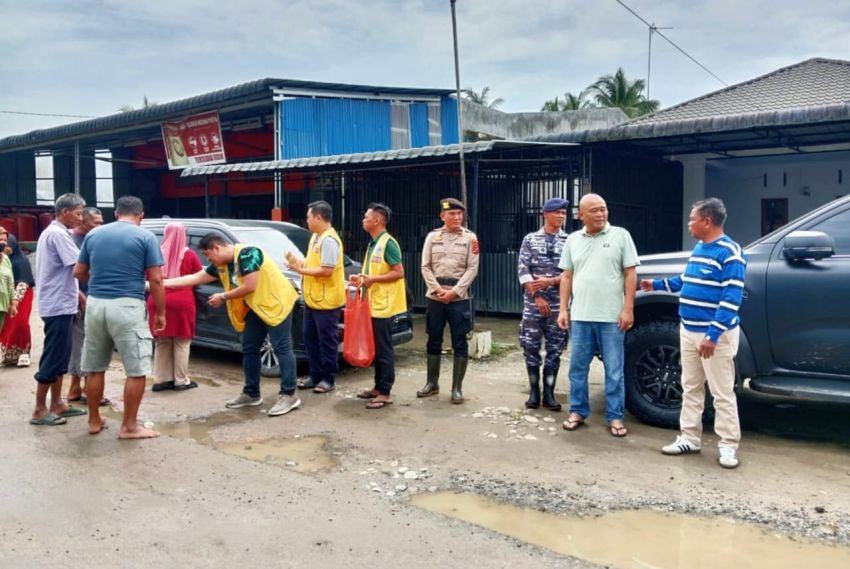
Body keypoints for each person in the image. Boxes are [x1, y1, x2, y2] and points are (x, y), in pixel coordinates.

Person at [641, 198, 747, 469]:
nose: (689, 224)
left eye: (692, 219)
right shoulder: (700, 248)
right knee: (690, 387)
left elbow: (731, 298)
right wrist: (657, 284)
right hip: (687, 330)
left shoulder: (730, 253)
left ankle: (728, 446)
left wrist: (712, 335)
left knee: (722, 392)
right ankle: (689, 437)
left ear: (707, 221)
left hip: (714, 337)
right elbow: (686, 280)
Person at [163, 232, 301, 417]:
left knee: (282, 348)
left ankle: (289, 394)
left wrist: (223, 296)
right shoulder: (223, 265)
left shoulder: (248, 254)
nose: (209, 259)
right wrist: (159, 284)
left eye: (208, 254)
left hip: (276, 304)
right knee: (249, 348)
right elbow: (195, 278)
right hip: (256, 307)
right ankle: (251, 393)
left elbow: (250, 285)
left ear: (216, 248)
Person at [74, 196, 166, 439]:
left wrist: (98, 285)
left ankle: (94, 421)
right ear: (141, 215)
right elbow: (156, 279)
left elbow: (79, 272)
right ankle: (129, 426)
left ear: (116, 213)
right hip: (127, 306)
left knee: (95, 367)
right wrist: (161, 312)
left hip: (95, 305)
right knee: (136, 369)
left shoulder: (93, 235)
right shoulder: (145, 237)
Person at [557, 193, 638, 437]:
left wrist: (628, 308)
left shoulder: (620, 236)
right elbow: (567, 276)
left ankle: (615, 417)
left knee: (614, 370)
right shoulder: (573, 239)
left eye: (603, 209)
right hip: (581, 316)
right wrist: (563, 308)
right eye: (594, 210)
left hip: (612, 317)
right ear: (581, 215)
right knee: (577, 368)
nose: (600, 214)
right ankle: (578, 411)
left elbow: (630, 273)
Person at [31, 193, 87, 427]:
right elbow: (79, 267)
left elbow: (69, 276)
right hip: (57, 305)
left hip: (62, 302)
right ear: (64, 212)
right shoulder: (58, 235)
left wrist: (81, 297)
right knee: (53, 356)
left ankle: (57, 403)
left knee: (62, 356)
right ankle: (39, 409)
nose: (80, 218)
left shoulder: (55, 233)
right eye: (77, 213)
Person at [417, 197, 479, 404]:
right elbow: (425, 266)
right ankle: (431, 383)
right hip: (435, 297)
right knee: (433, 339)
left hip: (459, 298)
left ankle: (457, 389)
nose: (457, 217)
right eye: (452, 214)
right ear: (443, 216)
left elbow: (472, 268)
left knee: (460, 342)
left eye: (459, 214)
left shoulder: (470, 238)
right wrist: (436, 289)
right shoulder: (432, 237)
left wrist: (455, 292)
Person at [351, 203, 407, 409]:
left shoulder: (388, 243)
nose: (363, 220)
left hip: (385, 305)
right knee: (376, 346)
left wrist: (372, 279)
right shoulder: (374, 243)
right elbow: (375, 271)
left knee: (384, 349)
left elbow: (399, 272)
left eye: (366, 217)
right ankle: (377, 387)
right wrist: (363, 278)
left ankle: (385, 392)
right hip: (373, 303)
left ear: (377, 221)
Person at [517, 198, 570, 411]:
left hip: (559, 305)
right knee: (530, 346)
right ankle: (534, 391)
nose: (561, 216)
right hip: (533, 305)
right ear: (545, 214)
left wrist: (553, 281)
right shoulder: (530, 239)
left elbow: (571, 272)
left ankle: (549, 392)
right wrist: (537, 296)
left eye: (563, 213)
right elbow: (523, 270)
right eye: (557, 213)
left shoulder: (570, 241)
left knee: (555, 348)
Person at [288, 200, 346, 394]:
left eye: (309, 217)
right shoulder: (316, 238)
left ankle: (328, 378)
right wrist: (300, 263)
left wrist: (300, 270)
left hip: (327, 301)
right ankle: (315, 375)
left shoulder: (329, 240)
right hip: (313, 299)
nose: (307, 221)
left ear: (319, 217)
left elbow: (326, 270)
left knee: (326, 340)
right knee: (310, 338)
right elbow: (313, 262)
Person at [147, 222, 202, 393]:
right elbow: (199, 276)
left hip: (157, 300)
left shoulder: (155, 254)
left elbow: (148, 277)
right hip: (182, 302)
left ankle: (161, 379)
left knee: (162, 341)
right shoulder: (190, 254)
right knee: (182, 341)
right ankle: (181, 380)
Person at [66, 207, 104, 402]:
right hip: (81, 298)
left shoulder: (93, 239)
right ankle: (90, 389)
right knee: (87, 343)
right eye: (96, 223)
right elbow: (69, 275)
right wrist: (81, 297)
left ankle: (75, 387)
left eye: (101, 223)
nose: (100, 226)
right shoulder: (72, 241)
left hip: (88, 296)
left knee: (81, 342)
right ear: (82, 222)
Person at [1, 234, 33, 366]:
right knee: (6, 324)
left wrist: (15, 300)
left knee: (20, 322)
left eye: (8, 245)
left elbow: (23, 282)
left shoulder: (21, 261)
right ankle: (9, 354)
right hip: (5, 296)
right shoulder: (4, 260)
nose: (6, 248)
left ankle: (24, 352)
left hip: (22, 293)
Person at [0, 230, 18, 349]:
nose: (3, 243)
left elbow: (10, 280)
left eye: (5, 240)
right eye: (0, 239)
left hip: (3, 304)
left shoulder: (5, 259)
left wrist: (13, 302)